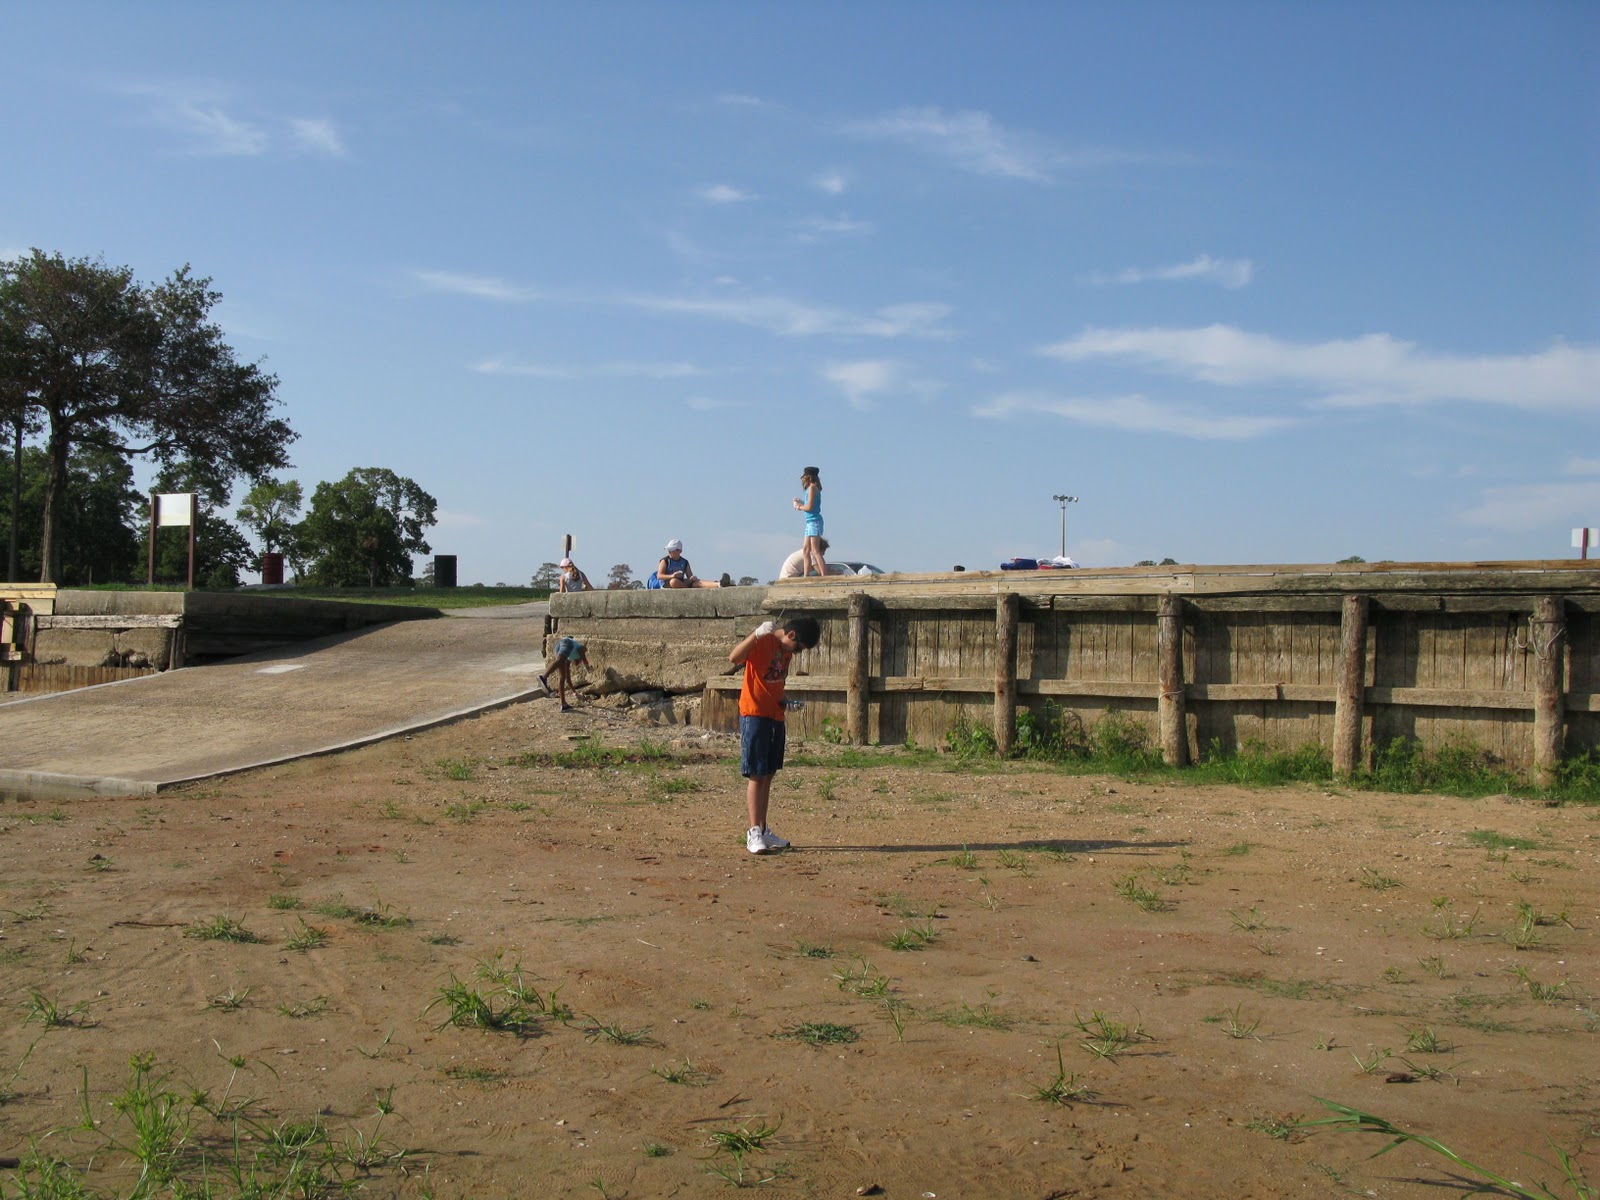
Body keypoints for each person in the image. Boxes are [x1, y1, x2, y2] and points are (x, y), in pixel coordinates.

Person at [729, 615, 821, 854]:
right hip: (755, 715)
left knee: (768, 774)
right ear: (791, 635)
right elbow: (734, 657)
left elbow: (775, 683)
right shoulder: (764, 641)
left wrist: (785, 703)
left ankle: (762, 828)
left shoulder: (785, 652)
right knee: (756, 775)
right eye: (799, 648)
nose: (797, 653)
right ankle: (753, 832)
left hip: (775, 716)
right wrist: (756, 634)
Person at [539, 634, 590, 712]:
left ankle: (564, 705)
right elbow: (582, 652)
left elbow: (568, 679)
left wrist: (574, 693)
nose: (577, 664)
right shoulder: (581, 650)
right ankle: (543, 677)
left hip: (559, 647)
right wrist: (586, 665)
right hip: (566, 642)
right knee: (559, 661)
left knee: (563, 677)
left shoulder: (568, 659)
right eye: (578, 662)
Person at [791, 466, 827, 576]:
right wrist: (801, 502)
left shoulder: (812, 488)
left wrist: (799, 506)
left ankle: (824, 575)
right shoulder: (812, 488)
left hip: (814, 522)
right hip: (810, 522)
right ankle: (806, 576)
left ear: (808, 476)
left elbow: (810, 507)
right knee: (806, 551)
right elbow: (811, 504)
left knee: (815, 551)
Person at [647, 539, 723, 588]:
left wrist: (692, 578)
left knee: (696, 582)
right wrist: (672, 576)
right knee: (673, 581)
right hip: (667, 584)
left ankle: (718, 584)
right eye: (669, 550)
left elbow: (690, 576)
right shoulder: (665, 561)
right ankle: (690, 590)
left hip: (681, 583)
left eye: (672, 550)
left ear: (679, 551)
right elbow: (660, 576)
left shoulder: (684, 562)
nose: (669, 552)